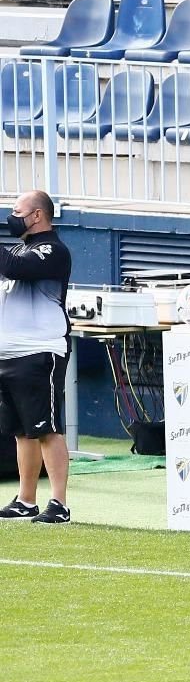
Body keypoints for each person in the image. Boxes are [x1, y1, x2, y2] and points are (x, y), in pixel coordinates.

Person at [0, 192, 73, 524]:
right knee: (21, 430)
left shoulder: (53, 250)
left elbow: (15, 269)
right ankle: (25, 499)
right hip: (9, 351)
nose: (11, 217)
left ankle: (59, 503)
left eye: (17, 212)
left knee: (46, 429)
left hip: (41, 350)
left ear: (38, 216)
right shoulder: (16, 248)